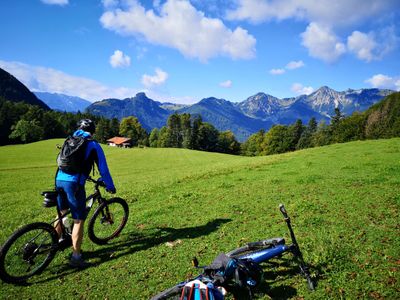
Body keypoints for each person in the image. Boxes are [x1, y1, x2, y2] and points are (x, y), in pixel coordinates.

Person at [55, 119, 116, 268]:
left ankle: (54, 242)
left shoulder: (69, 140)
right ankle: (76, 257)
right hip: (74, 184)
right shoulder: (92, 144)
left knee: (61, 213)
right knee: (78, 220)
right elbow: (103, 169)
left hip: (59, 179)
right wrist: (110, 186)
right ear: (93, 131)